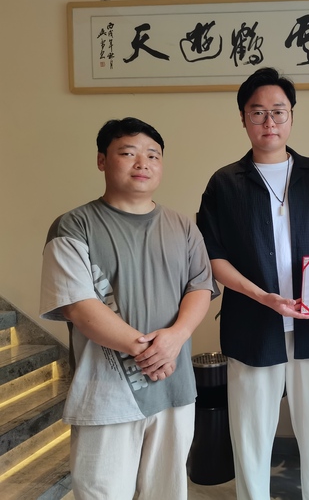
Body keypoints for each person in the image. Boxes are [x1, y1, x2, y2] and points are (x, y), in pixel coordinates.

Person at [39, 117, 216, 499]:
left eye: (153, 155)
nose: (143, 163)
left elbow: (200, 286)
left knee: (167, 491)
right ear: (102, 160)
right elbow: (79, 307)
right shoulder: (73, 226)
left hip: (174, 389)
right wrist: (153, 352)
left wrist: (176, 338)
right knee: (103, 491)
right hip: (107, 393)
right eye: (128, 153)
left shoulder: (183, 226)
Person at [196, 67, 309, 500]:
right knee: (251, 433)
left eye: (279, 111)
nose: (269, 122)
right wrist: (262, 297)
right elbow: (212, 256)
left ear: (292, 116)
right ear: (243, 118)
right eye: (258, 112)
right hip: (252, 327)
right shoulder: (224, 183)